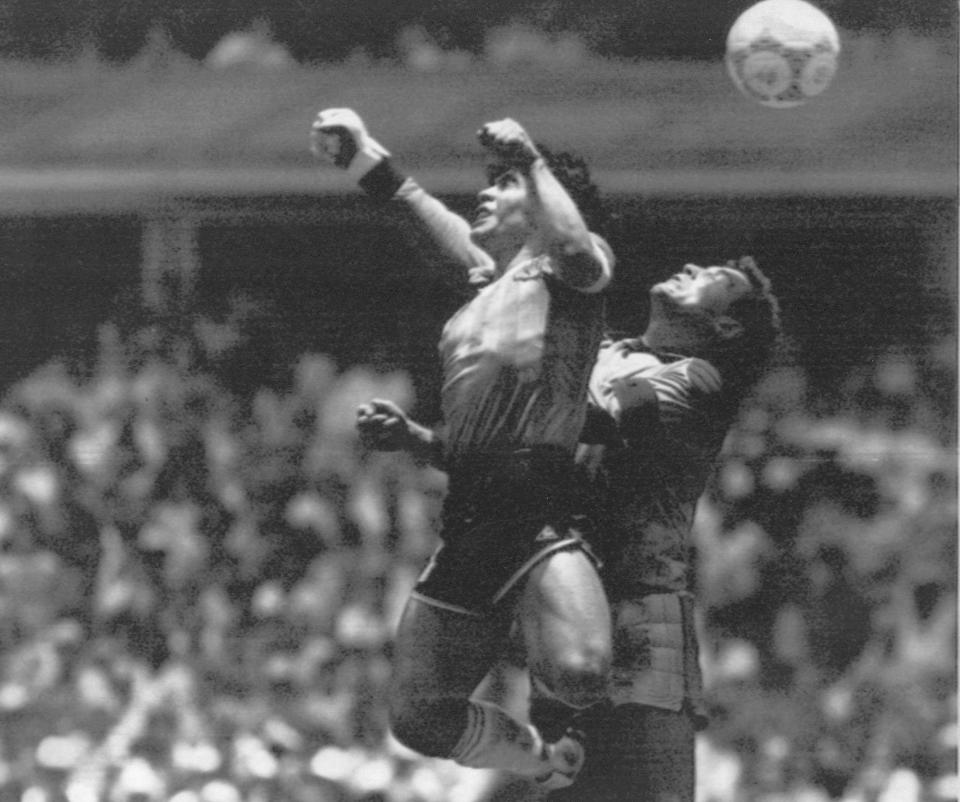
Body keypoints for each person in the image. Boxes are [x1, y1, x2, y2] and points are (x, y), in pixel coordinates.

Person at [362, 256, 782, 801]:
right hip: (566, 610)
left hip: (640, 619)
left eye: (717, 281)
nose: (694, 266)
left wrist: (502, 364)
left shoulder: (699, 382)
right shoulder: (602, 354)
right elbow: (516, 456)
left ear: (725, 326)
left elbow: (564, 418)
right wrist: (419, 440)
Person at [311, 107, 615, 788]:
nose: (485, 191)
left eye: (502, 184)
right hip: (471, 518)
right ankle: (542, 759)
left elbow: (570, 247)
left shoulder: (571, 272)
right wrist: (363, 155)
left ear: (540, 205)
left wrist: (532, 161)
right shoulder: (488, 288)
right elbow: (421, 212)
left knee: (581, 674)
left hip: (540, 512)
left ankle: (602, 640)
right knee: (416, 719)